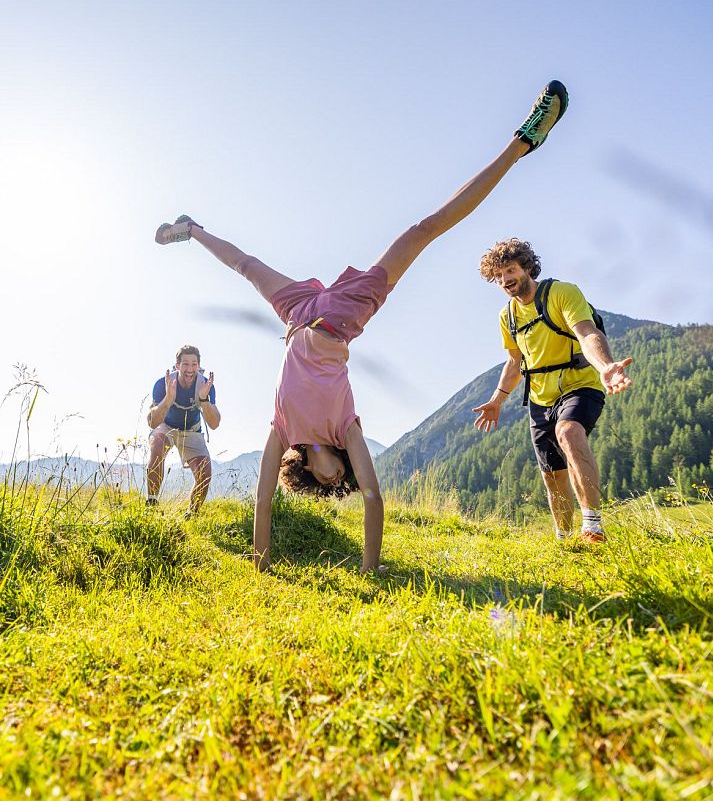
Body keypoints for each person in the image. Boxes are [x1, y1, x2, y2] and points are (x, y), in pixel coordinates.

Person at [154, 80, 569, 572]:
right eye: (339, 482)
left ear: (307, 471)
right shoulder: (346, 429)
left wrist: (261, 568)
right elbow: (372, 499)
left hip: (298, 313)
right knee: (423, 230)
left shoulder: (282, 432)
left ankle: (192, 228)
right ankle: (523, 142)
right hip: (343, 316)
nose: (334, 482)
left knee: (246, 265)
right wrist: (371, 569)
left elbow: (262, 503)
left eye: (325, 484)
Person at [473, 240, 632, 543]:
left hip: (580, 383)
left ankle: (593, 527)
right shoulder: (506, 317)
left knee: (569, 431)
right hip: (539, 399)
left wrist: (606, 366)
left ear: (527, 267)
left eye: (510, 270)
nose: (506, 279)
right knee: (552, 473)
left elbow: (587, 333)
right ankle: (564, 537)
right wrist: (497, 400)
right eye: (499, 276)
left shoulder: (562, 293)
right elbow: (514, 360)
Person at [146, 345, 221, 516]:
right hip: (167, 426)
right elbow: (152, 422)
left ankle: (191, 515)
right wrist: (168, 399)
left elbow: (215, 423)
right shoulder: (162, 383)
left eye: (194, 364)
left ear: (199, 366)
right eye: (185, 364)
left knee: (205, 473)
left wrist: (203, 399)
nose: (190, 369)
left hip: (192, 430)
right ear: (177, 366)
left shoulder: (205, 385)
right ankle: (151, 504)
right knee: (157, 443)